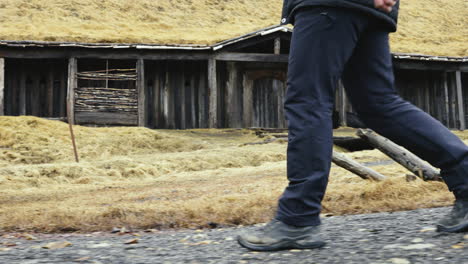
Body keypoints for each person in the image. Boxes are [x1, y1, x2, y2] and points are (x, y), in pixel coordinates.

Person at [237, 0, 468, 251]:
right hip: (365, 9)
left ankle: (297, 219)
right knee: (378, 104)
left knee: (308, 100)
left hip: (330, 6)